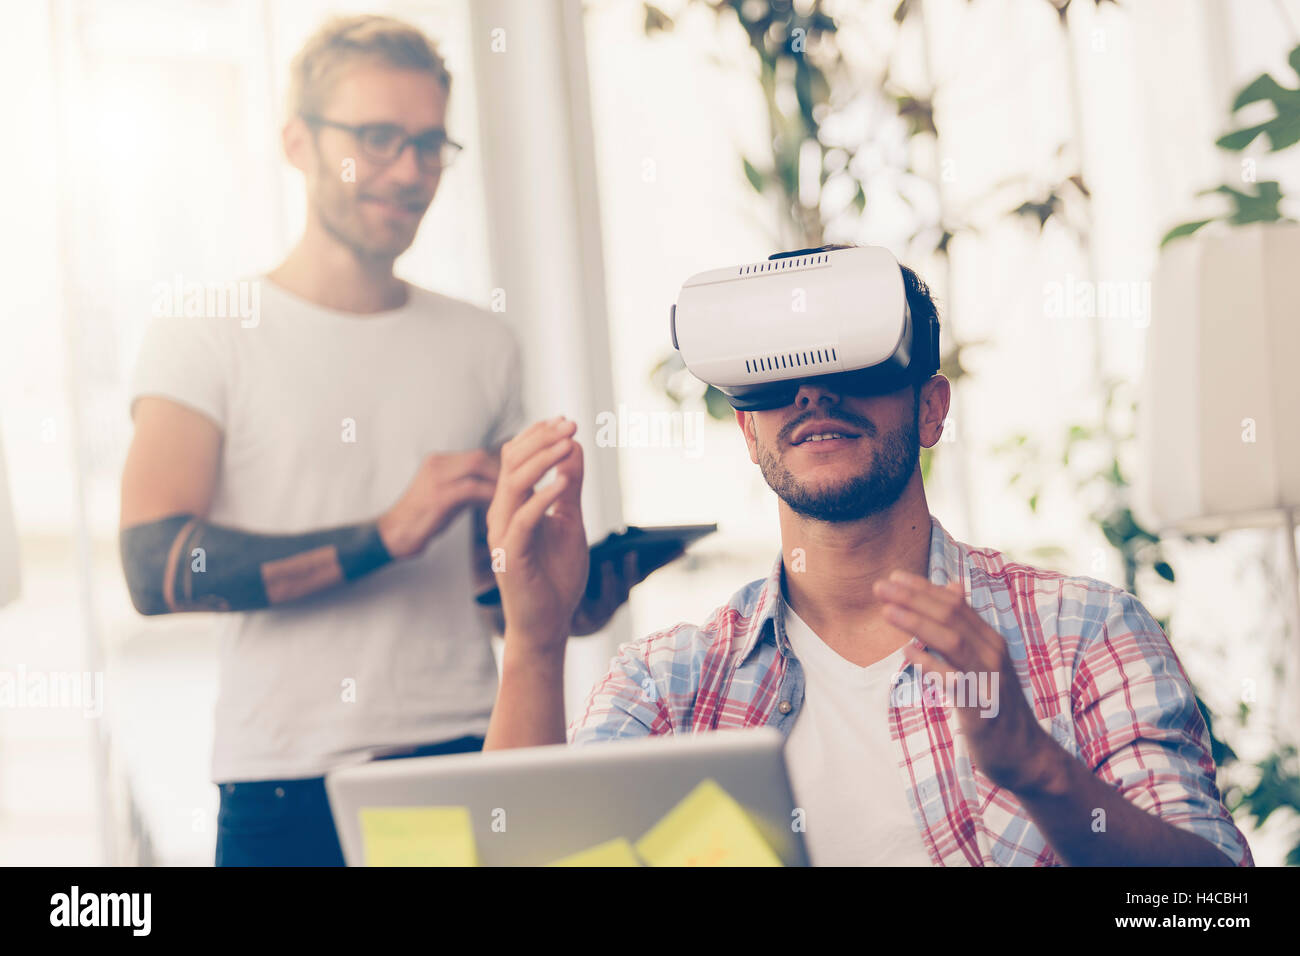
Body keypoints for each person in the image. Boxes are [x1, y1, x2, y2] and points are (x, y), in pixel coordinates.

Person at [481, 250, 1255, 867]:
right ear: (748, 433)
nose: (813, 392)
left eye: (852, 364)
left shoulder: (1085, 632)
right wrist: (536, 642)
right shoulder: (668, 686)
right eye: (776, 376)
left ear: (931, 408)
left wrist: (1037, 767)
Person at [118, 14, 638, 866]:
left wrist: (565, 597)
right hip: (286, 780)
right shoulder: (205, 332)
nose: (409, 172)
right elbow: (155, 568)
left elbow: (480, 585)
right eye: (378, 138)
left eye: (431, 145)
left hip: (465, 757)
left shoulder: (482, 344)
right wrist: (384, 534)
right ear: (298, 142)